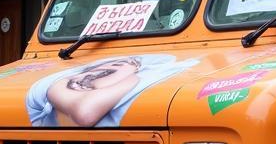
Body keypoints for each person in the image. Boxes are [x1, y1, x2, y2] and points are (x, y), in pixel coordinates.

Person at [26, 53, 197, 128]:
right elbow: (85, 112)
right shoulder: (48, 83)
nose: (104, 69)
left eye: (121, 64)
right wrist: (136, 78)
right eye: (112, 64)